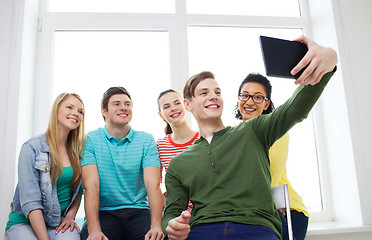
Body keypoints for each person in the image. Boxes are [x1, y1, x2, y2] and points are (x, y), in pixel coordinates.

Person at [161, 35, 338, 240]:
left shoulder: (252, 130)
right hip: (203, 231)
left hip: (257, 228)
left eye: (217, 91)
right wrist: (171, 225)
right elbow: (172, 212)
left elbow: (294, 110)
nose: (213, 96)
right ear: (188, 104)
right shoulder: (178, 164)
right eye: (204, 93)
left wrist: (328, 61)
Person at [80, 86, 164, 240]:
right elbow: (91, 186)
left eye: (127, 104)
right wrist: (94, 230)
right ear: (104, 111)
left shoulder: (146, 140)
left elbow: (153, 184)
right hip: (104, 211)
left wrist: (156, 225)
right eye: (116, 104)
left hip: (138, 210)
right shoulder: (90, 139)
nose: (123, 108)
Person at [234, 73, 309, 240]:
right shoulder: (232, 133)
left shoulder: (277, 130)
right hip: (255, 207)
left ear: (266, 103)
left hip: (286, 209)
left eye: (258, 97)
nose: (250, 101)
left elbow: (269, 174)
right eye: (245, 95)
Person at [5, 93, 85, 240]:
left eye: (80, 111)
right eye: (69, 107)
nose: (76, 113)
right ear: (56, 110)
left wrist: (70, 216)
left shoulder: (78, 152)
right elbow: (31, 201)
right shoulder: (31, 147)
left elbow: (78, 191)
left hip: (58, 223)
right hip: (25, 222)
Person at [156, 89, 199, 210]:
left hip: (204, 211)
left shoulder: (202, 138)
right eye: (167, 106)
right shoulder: (160, 145)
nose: (173, 108)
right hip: (177, 213)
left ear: (185, 105)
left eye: (177, 103)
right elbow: (154, 184)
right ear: (161, 114)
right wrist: (167, 204)